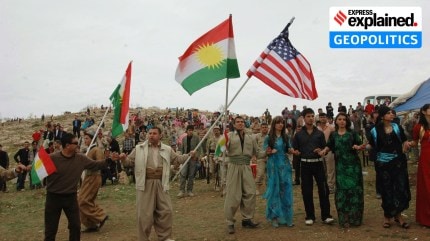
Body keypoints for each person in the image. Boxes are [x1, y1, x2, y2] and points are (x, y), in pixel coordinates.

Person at [119, 127, 196, 241]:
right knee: (144, 215)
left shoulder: (167, 149)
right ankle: (144, 238)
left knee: (166, 211)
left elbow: (177, 159)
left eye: (154, 133)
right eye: (150, 133)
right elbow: (129, 162)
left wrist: (189, 155)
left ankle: (165, 237)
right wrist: (123, 159)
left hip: (161, 183)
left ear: (160, 135)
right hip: (145, 184)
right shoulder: (139, 148)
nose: (151, 135)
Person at [43, 133, 110, 241]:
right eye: (75, 143)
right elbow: (36, 170)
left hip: (70, 198)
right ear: (67, 145)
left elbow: (96, 165)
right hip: (53, 198)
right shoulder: (52, 158)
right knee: (51, 230)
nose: (78, 145)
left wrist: (109, 160)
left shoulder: (80, 158)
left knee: (75, 226)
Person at [367, 105, 412, 229]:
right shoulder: (375, 131)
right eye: (389, 113)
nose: (392, 114)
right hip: (383, 164)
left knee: (400, 188)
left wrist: (407, 144)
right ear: (382, 116)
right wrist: (361, 147)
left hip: (398, 163)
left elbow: (404, 140)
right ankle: (387, 216)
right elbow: (371, 145)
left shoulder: (397, 127)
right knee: (386, 190)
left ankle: (398, 216)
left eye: (392, 113)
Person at [320, 113, 365, 228]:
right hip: (340, 168)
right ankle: (344, 217)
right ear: (336, 121)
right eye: (339, 119)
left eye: (344, 119)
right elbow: (329, 146)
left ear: (347, 121)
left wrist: (358, 147)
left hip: (353, 167)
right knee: (342, 192)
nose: (342, 121)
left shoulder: (352, 134)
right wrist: (324, 151)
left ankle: (355, 218)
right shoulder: (333, 135)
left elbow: (360, 145)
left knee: (354, 191)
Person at [291, 108, 334, 226]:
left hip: (318, 163)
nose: (310, 118)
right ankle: (310, 216)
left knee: (323, 190)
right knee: (306, 191)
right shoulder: (298, 134)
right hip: (305, 164)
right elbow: (295, 150)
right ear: (303, 118)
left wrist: (321, 151)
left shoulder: (319, 133)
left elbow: (324, 148)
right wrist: (296, 152)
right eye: (308, 116)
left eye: (312, 116)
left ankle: (326, 216)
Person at [224, 116, 259, 234]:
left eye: (242, 122)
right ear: (234, 125)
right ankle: (230, 222)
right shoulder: (228, 136)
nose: (240, 124)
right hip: (233, 166)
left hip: (246, 166)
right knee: (233, 195)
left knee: (250, 192)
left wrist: (268, 152)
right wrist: (223, 144)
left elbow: (257, 152)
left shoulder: (250, 137)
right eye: (237, 122)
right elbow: (221, 150)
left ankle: (247, 219)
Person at [262, 116, 294, 227]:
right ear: (274, 124)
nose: (280, 124)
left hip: (284, 165)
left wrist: (292, 151)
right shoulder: (268, 137)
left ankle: (286, 216)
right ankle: (274, 216)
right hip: (273, 165)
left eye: (282, 123)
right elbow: (264, 151)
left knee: (285, 189)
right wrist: (270, 151)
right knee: (275, 189)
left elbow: (289, 149)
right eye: (278, 122)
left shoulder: (286, 137)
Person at [78, 129, 109, 232]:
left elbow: (100, 164)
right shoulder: (88, 150)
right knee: (83, 201)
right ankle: (90, 224)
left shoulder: (96, 150)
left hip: (93, 177)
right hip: (87, 178)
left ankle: (101, 215)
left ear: (92, 139)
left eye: (87, 138)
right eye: (84, 138)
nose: (85, 140)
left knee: (83, 201)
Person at [411, 103, 430, 227]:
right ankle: (426, 218)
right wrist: (405, 144)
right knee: (426, 186)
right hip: (426, 158)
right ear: (424, 111)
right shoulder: (418, 127)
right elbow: (414, 142)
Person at [177, 125, 201, 198]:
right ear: (186, 131)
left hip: (193, 159)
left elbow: (199, 149)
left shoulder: (196, 138)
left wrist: (196, 156)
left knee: (191, 175)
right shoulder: (184, 139)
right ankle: (181, 191)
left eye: (192, 130)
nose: (190, 131)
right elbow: (182, 149)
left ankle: (189, 190)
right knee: (183, 174)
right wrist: (181, 158)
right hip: (185, 157)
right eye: (189, 130)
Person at [316, 113, 336, 194]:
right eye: (321, 117)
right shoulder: (316, 129)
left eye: (324, 117)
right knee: (321, 169)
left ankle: (331, 187)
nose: (322, 118)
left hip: (329, 150)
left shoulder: (331, 128)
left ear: (326, 118)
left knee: (330, 169)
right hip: (320, 151)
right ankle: (323, 186)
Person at [254, 122, 269, 195]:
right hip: (260, 157)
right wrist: (254, 156)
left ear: (268, 128)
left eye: (266, 127)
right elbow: (254, 147)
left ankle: (268, 189)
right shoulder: (257, 136)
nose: (264, 129)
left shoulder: (270, 136)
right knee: (260, 173)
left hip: (270, 157)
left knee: (269, 174)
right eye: (263, 127)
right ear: (260, 128)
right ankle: (256, 188)